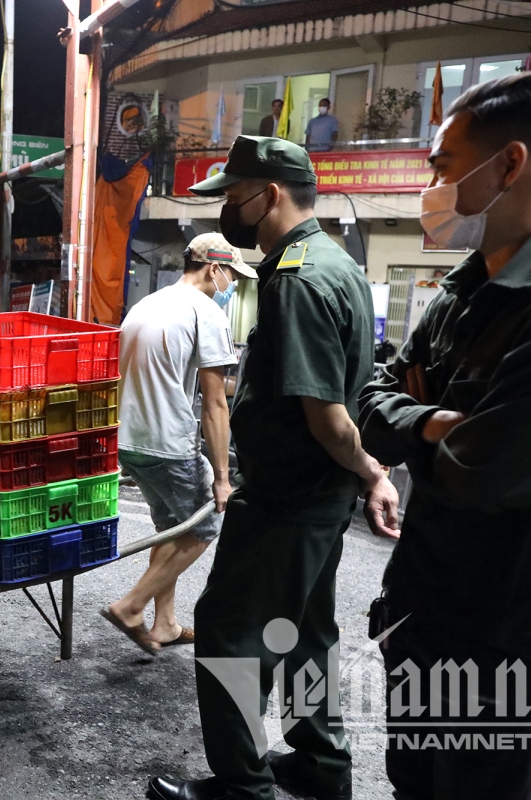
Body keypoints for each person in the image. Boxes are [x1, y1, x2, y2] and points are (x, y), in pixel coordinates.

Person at [358, 70, 531, 800]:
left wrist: (419, 433)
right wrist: (431, 421)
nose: (431, 185)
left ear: (510, 164)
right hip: (420, 607)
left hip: (506, 643)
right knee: (412, 784)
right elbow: (369, 399)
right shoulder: (461, 290)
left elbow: (482, 472)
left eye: (443, 165)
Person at [146, 135, 400, 800]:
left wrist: (372, 470)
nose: (228, 209)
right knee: (307, 634)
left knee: (231, 633)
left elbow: (329, 419)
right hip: (317, 498)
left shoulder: (296, 281)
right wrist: (364, 477)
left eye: (234, 196)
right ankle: (321, 766)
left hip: (289, 498)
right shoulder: (336, 262)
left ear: (271, 195)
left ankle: (243, 785)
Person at [100, 233, 256, 655]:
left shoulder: (149, 303)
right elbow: (215, 404)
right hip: (169, 442)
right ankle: (131, 606)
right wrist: (222, 477)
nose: (232, 286)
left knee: (170, 529)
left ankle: (165, 623)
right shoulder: (205, 312)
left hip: (128, 440)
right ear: (213, 269)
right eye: (232, 276)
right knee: (201, 528)